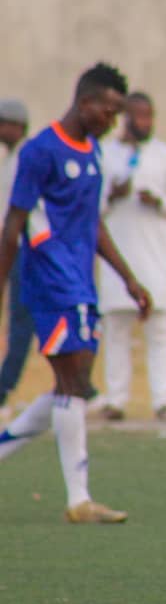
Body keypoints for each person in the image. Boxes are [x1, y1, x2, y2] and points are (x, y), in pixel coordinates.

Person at [0, 63, 151, 523]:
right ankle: (79, 500)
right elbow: (13, 225)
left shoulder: (92, 152)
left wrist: (128, 278)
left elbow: (93, 222)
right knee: (72, 383)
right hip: (49, 278)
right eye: (109, 111)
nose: (113, 120)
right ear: (85, 103)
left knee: (75, 384)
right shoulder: (40, 151)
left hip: (82, 281)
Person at [98, 92, 166, 422]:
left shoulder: (165, 156)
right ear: (125, 118)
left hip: (156, 260)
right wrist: (113, 195)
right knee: (116, 333)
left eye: (149, 116)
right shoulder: (106, 154)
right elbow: (92, 206)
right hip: (118, 261)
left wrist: (159, 202)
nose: (145, 122)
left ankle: (162, 402)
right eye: (139, 116)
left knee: (159, 333)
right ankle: (116, 401)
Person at [0, 98, 32, 419]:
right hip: (7, 247)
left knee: (22, 318)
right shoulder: (7, 160)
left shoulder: (27, 158)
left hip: (24, 248)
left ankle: (3, 387)